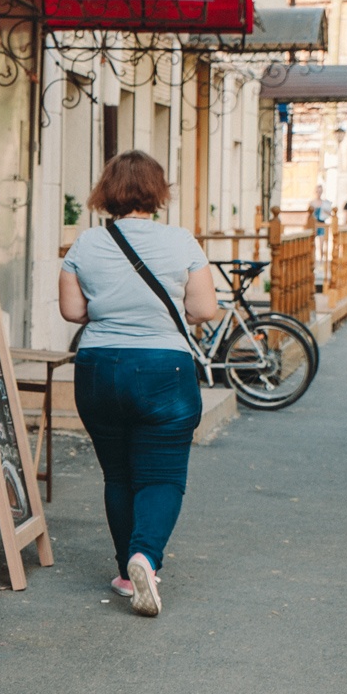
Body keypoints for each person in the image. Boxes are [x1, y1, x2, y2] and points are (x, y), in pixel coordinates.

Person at [59, 151, 219, 617]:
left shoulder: (86, 245)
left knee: (118, 473)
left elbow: (73, 312)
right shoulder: (181, 242)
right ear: (158, 191)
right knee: (162, 474)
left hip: (98, 368)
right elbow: (205, 309)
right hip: (164, 369)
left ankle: (128, 576)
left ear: (106, 191)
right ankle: (145, 557)